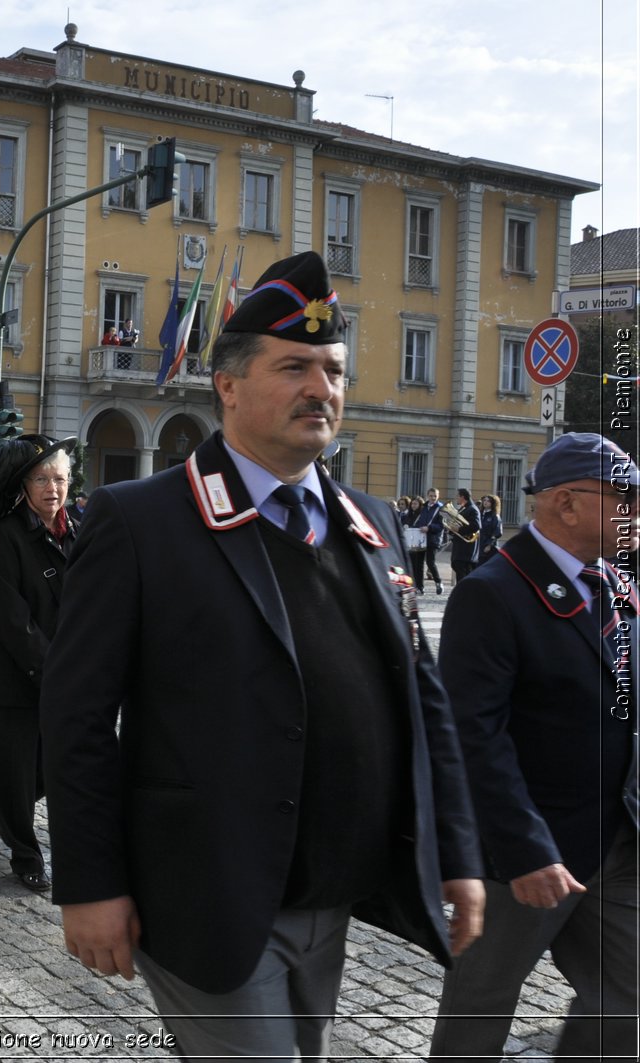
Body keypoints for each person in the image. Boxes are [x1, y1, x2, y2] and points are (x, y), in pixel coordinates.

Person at [40, 251, 484, 1060]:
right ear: (229, 385)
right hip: (206, 890)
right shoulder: (140, 520)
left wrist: (455, 851)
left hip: (333, 892)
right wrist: (90, 881)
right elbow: (74, 716)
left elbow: (426, 706)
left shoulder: (368, 519)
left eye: (334, 370)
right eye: (295, 367)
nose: (322, 389)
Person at [429, 432, 639, 1063]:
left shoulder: (618, 586)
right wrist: (523, 849)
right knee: (479, 1008)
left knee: (625, 997)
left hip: (618, 840)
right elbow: (473, 735)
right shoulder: (494, 591)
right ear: (567, 505)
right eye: (623, 499)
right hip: (527, 854)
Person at [0, 433, 78, 893]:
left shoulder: (79, 528)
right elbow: (12, 620)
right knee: (17, 777)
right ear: (25, 485)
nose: (53, 489)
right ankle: (25, 852)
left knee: (52, 769)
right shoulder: (8, 535)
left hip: (66, 676)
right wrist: (53, 669)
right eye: (42, 479)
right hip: (15, 679)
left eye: (60, 478)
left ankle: (4, 797)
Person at [416, 486, 447, 593]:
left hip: (433, 539)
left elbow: (441, 525)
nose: (433, 498)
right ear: (427, 496)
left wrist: (429, 528)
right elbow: (420, 520)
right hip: (421, 538)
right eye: (431, 496)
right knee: (419, 563)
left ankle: (438, 582)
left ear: (438, 497)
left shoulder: (441, 508)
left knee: (430, 562)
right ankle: (420, 587)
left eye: (435, 496)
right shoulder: (424, 507)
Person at [449, 487, 483, 583]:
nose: (456, 498)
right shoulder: (464, 509)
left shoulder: (472, 509)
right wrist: (451, 529)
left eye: (457, 496)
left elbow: (476, 526)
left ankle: (464, 595)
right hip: (460, 547)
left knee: (464, 573)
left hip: (466, 550)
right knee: (457, 567)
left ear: (462, 497)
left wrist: (459, 529)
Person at [476, 491, 503, 561]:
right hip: (479, 544)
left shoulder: (495, 516)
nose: (485, 502)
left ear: (493, 503)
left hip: (488, 546)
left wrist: (489, 545)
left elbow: (497, 532)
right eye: (484, 500)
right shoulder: (480, 514)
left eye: (488, 501)